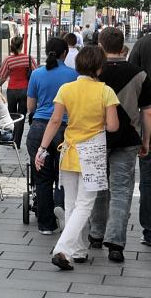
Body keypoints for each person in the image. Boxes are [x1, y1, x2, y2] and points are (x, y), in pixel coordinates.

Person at [35, 45, 120, 270]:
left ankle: (78, 250)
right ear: (99, 68)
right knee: (85, 205)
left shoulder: (66, 89)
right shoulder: (106, 91)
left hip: (69, 151)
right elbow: (113, 126)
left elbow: (54, 121)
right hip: (93, 153)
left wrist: (42, 149)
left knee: (71, 203)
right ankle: (62, 249)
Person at [90, 27, 151, 262]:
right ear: (122, 45)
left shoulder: (94, 72)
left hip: (97, 137)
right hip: (128, 139)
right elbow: (147, 112)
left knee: (97, 186)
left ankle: (96, 234)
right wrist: (146, 141)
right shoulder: (140, 74)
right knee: (122, 190)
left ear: (100, 45)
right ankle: (116, 242)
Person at [25, 37, 78, 235]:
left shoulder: (37, 74)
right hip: (65, 129)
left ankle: (46, 224)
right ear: (65, 53)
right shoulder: (74, 75)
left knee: (42, 177)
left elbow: (30, 106)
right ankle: (62, 208)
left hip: (39, 128)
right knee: (64, 174)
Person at [129, 26, 151, 247]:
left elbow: (132, 76)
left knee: (147, 179)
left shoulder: (143, 43)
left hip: (148, 117)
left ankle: (150, 231)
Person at [0, 36, 37, 148]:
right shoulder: (28, 58)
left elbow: (3, 76)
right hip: (25, 90)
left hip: (12, 90)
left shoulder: (8, 60)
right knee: (21, 116)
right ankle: (17, 142)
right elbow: (35, 73)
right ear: (21, 45)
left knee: (12, 115)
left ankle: (11, 138)